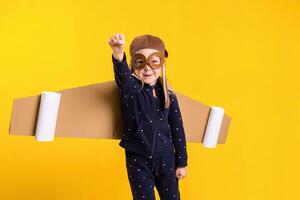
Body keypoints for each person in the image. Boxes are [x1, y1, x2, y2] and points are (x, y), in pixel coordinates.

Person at [109, 33, 188, 200]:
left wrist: (181, 162)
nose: (147, 68)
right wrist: (118, 53)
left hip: (166, 158)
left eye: (154, 62)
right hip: (138, 159)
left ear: (162, 65)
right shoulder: (131, 91)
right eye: (140, 62)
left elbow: (178, 129)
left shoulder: (169, 95)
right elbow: (122, 77)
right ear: (133, 65)